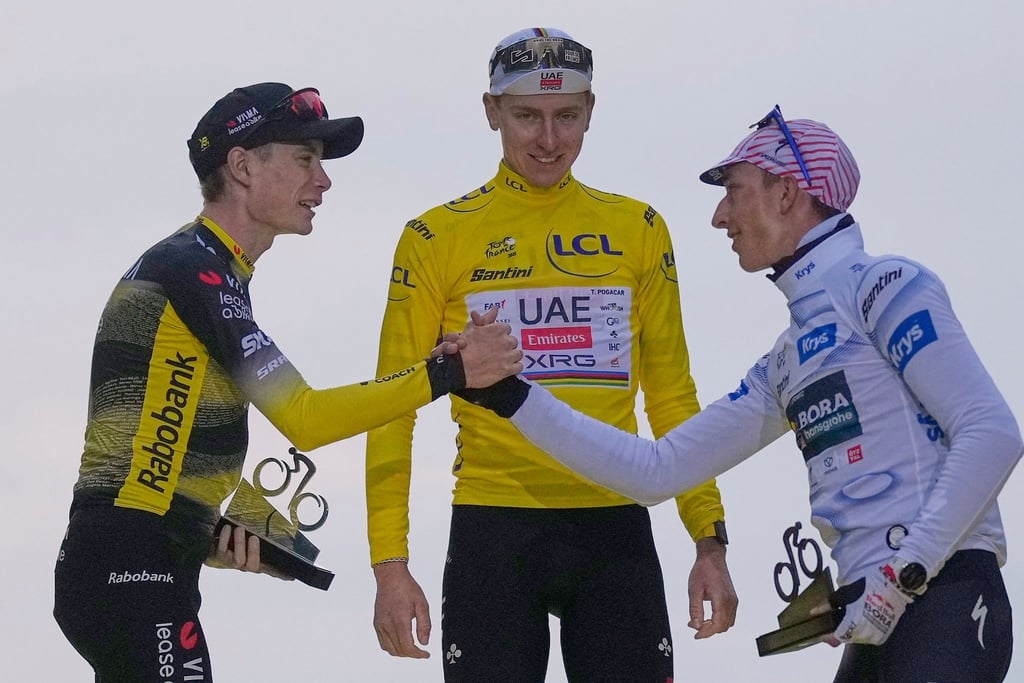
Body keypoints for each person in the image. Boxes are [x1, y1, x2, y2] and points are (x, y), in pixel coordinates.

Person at [468, 106, 1022, 681]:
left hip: (943, 594)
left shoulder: (885, 286)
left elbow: (992, 431)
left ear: (786, 193)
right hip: (877, 616)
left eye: (734, 191)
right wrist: (510, 394)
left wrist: (905, 571)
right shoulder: (786, 359)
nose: (719, 216)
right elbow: (657, 471)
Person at [52, 81, 522, 682]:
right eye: (305, 159)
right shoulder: (190, 268)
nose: (323, 182)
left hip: (139, 561)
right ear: (243, 167)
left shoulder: (208, 269)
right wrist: (450, 372)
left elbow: (150, 442)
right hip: (128, 564)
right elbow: (306, 418)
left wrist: (206, 528)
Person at [365, 28, 737, 682]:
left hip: (615, 524)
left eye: (567, 116)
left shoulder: (638, 229)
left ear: (591, 110)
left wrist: (709, 538)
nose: (548, 139)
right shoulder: (434, 237)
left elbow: (673, 396)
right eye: (526, 117)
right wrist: (390, 567)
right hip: (494, 526)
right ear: (491, 112)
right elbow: (394, 407)